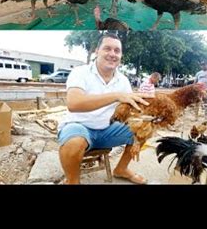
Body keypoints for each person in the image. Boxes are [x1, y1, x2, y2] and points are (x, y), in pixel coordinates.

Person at [57, 33, 154, 184]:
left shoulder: (123, 80)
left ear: (121, 55)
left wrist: (147, 116)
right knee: (74, 141)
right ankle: (72, 181)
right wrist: (115, 96)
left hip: (107, 130)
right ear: (97, 51)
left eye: (117, 51)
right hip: (78, 127)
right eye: (107, 48)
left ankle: (121, 169)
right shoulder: (80, 72)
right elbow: (74, 103)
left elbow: (127, 112)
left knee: (145, 129)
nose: (112, 54)